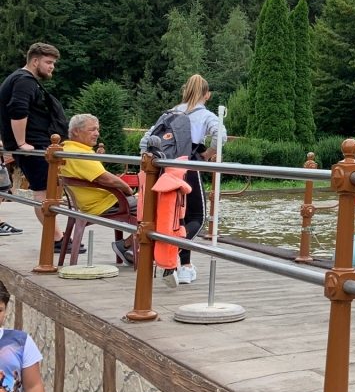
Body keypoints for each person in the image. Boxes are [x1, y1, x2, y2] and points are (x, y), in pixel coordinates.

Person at [140, 75, 220, 286]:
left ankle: (184, 268)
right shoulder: (205, 115)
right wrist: (207, 154)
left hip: (164, 169)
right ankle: (170, 256)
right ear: (207, 95)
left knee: (178, 218)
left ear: (184, 93)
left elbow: (144, 142)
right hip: (189, 166)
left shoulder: (169, 114)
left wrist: (153, 164)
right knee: (198, 217)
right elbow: (220, 134)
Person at [0, 43, 72, 253]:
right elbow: (18, 109)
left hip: (34, 144)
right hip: (33, 146)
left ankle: (57, 237)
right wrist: (21, 143)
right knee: (43, 195)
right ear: (34, 61)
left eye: (53, 63)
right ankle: (57, 239)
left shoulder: (19, 79)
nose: (52, 67)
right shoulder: (24, 81)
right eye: (48, 62)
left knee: (46, 193)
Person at [61, 114, 137, 264]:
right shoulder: (79, 154)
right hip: (103, 204)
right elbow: (106, 178)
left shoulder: (65, 148)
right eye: (92, 130)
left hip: (93, 203)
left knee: (154, 209)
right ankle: (127, 247)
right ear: (76, 131)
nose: (97, 133)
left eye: (97, 129)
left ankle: (130, 247)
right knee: (157, 210)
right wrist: (128, 189)